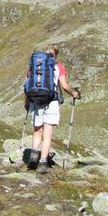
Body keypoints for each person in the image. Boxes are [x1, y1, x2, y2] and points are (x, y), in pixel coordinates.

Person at [26, 43, 79, 174]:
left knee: (37, 131)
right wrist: (74, 93)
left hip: (36, 101)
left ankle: (33, 156)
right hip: (52, 101)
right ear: (55, 54)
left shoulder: (35, 65)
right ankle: (43, 162)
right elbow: (65, 86)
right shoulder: (58, 66)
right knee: (47, 134)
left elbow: (27, 85)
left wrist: (27, 103)